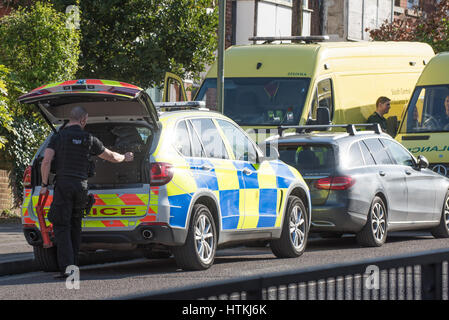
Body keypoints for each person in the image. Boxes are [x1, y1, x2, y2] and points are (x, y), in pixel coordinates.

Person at [39, 106, 134, 279]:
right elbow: (111, 156)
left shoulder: (58, 137)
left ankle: (68, 269)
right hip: (81, 187)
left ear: (71, 118)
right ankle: (73, 268)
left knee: (62, 227)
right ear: (83, 120)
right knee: (75, 227)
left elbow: (46, 162)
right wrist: (125, 157)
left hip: (63, 186)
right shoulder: (89, 138)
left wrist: (44, 185)